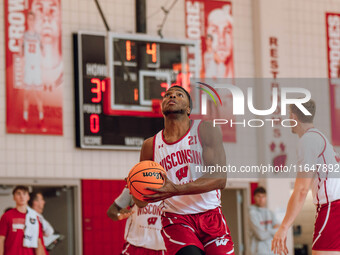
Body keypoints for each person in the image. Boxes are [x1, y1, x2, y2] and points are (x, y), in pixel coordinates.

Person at [136, 86, 234, 255]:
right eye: (167, 95)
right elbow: (141, 202)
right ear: (162, 107)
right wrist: (135, 190)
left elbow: (220, 179)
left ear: (189, 109)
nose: (172, 95)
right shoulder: (150, 145)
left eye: (179, 94)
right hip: (176, 219)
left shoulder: (206, 129)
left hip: (211, 215)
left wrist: (176, 190)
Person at [272, 99, 340, 255]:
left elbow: (301, 190)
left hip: (333, 207)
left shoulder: (308, 140)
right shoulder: (319, 137)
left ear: (294, 117)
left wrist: (283, 227)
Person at [107, 188, 166, 255]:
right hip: (135, 247)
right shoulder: (133, 187)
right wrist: (119, 215)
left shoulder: (172, 190)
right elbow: (111, 211)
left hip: (162, 249)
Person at [0, 186, 45, 255]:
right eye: (18, 194)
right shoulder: (6, 216)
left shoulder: (34, 217)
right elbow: (1, 239)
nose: (22, 197)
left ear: (28, 197)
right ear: (14, 197)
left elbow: (38, 242)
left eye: (24, 194)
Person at [20, 11, 45, 133]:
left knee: (39, 96)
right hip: (28, 69)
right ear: (27, 21)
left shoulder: (38, 36)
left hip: (37, 69)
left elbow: (43, 52)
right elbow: (21, 52)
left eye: (32, 19)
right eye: (29, 19)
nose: (31, 21)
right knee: (27, 96)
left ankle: (41, 120)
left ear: (34, 21)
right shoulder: (24, 36)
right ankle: (25, 120)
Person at [31, 0, 63, 91]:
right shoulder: (18, 71)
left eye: (52, 10)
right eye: (39, 10)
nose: (46, 17)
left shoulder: (68, 73)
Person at [249, 187, 279, 255]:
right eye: (258, 196)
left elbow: (279, 231)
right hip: (258, 252)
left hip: (272, 251)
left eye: (263, 196)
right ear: (254, 197)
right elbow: (261, 235)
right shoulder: (252, 213)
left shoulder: (270, 213)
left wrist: (266, 230)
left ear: (266, 197)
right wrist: (273, 230)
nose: (261, 199)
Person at [206, 5, 233, 78]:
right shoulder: (206, 55)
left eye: (227, 31)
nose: (221, 40)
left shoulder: (215, 56)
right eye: (215, 31)